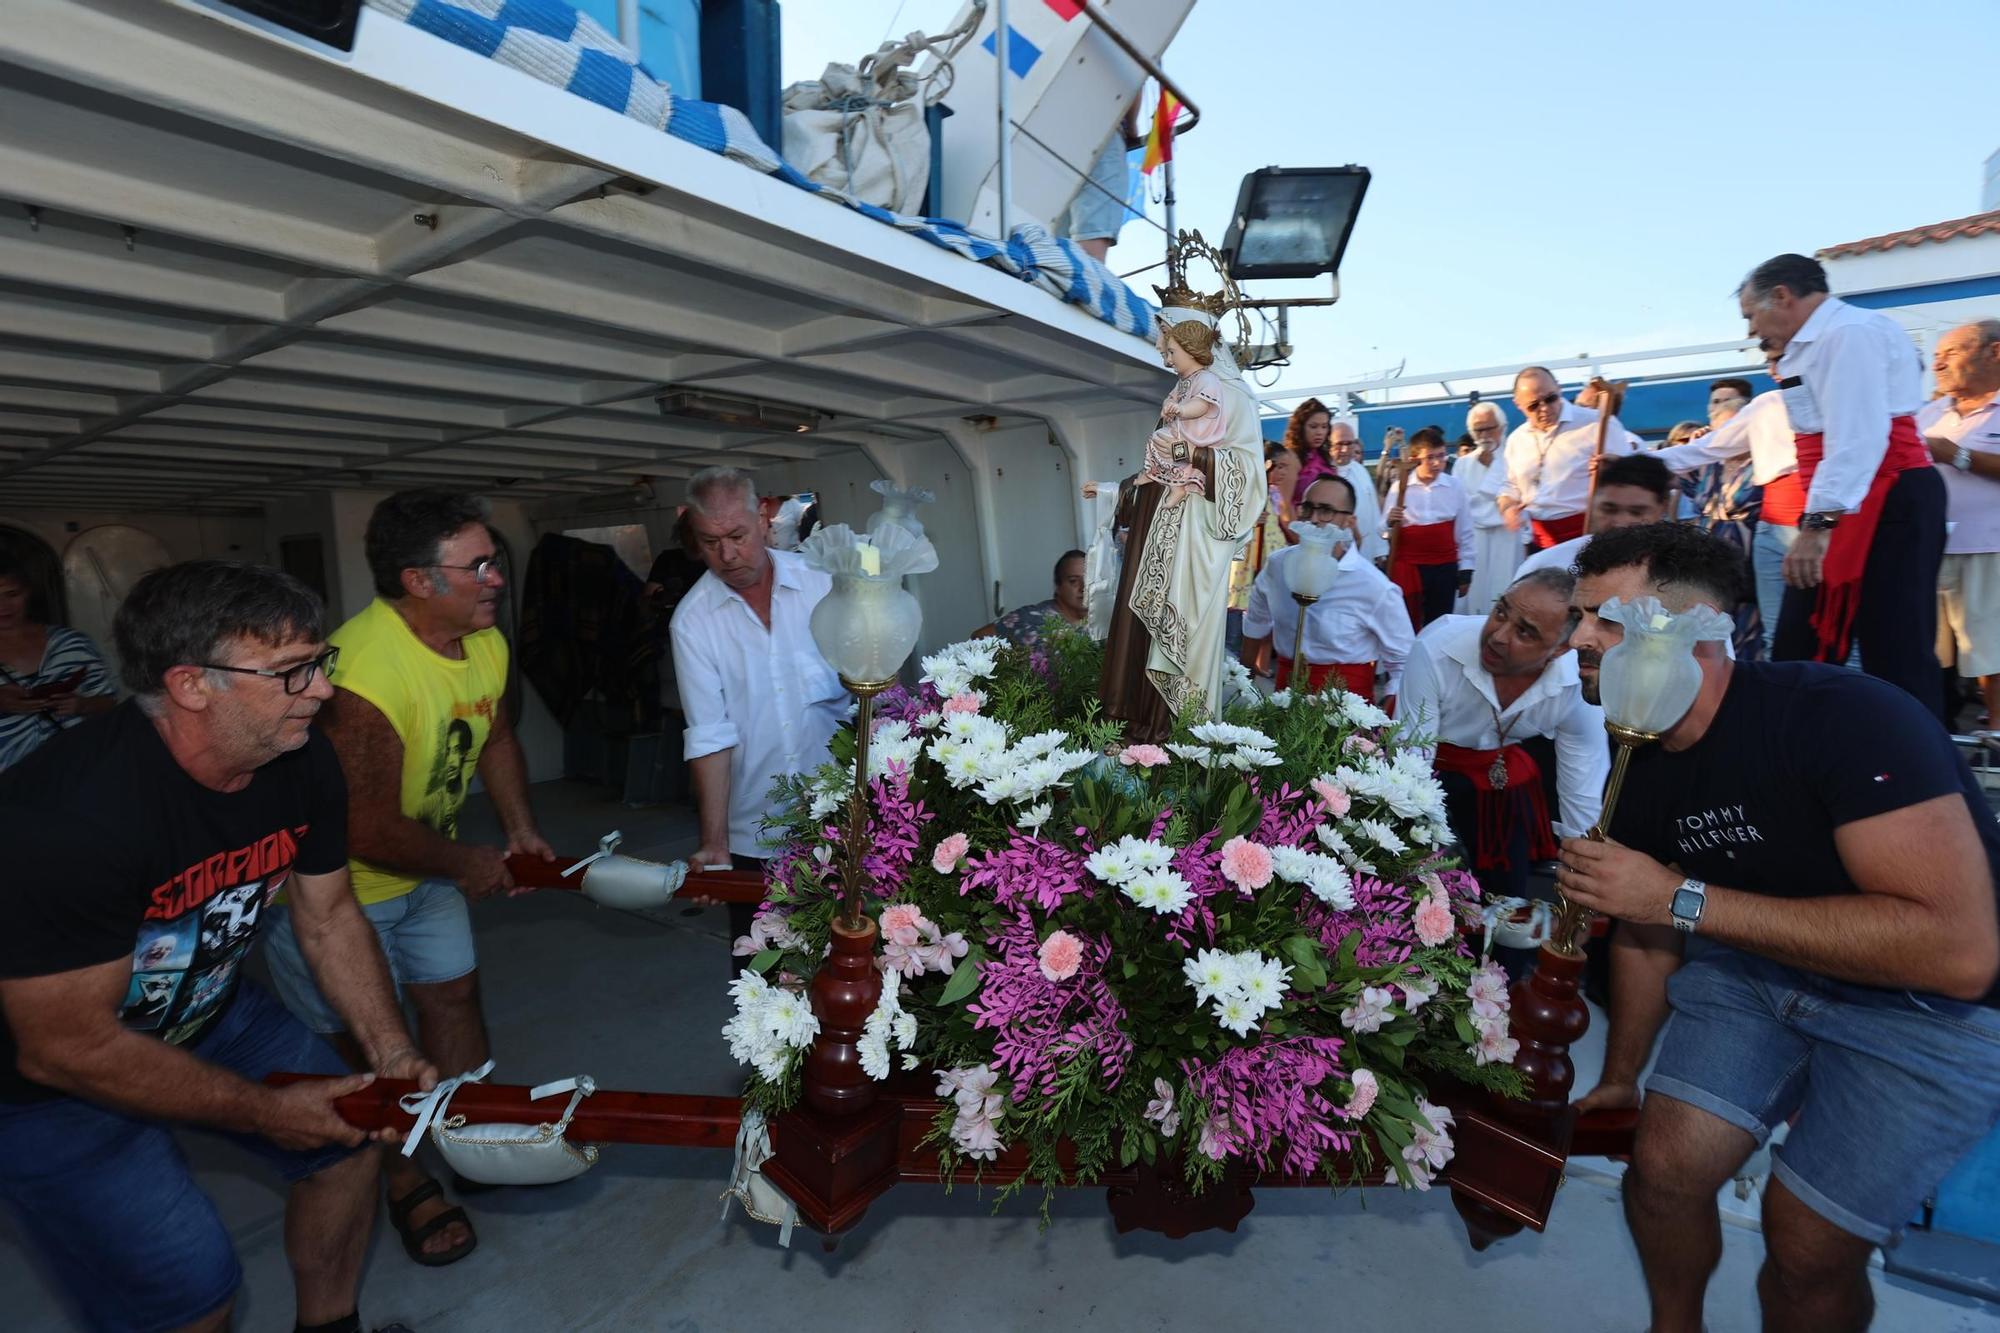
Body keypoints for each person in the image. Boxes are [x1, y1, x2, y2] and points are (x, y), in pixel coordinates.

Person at [1558, 521, 2000, 1333]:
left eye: (1607, 621)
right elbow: (1645, 934)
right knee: (1660, 1172)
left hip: (1930, 1013)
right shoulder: (1638, 758)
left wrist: (1680, 899)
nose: (1579, 639)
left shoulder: (1843, 716)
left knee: (1805, 1247)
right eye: (1580, 618)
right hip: (1759, 972)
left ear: (1701, 638)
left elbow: (1961, 954)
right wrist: (1620, 1076)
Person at [0, 560, 433, 1333]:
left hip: (208, 1007)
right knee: (191, 1292)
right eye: (290, 672)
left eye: (318, 662)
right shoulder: (67, 819)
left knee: (350, 1135)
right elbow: (65, 1044)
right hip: (48, 1084)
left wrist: (392, 1048)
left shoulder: (299, 757)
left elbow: (328, 916)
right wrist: (267, 1110)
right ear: (192, 685)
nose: (324, 690)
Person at [262, 489, 552, 1269]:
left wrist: (518, 828)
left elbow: (493, 734)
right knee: (367, 1044)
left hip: (425, 871)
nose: (497, 576)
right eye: (479, 564)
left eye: (496, 558)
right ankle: (403, 1177)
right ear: (419, 581)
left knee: (454, 996)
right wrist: (470, 863)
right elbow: (359, 824)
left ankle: (466, 1139)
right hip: (338, 895)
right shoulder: (362, 672)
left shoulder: (481, 636)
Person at [1739, 253, 1946, 716]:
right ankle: (1813, 750)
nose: (1751, 330)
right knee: (1803, 637)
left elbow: (1858, 436)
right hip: (1854, 498)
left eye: (1751, 315)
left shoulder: (1849, 334)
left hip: (1889, 493)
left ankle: (1919, 768)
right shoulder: (1814, 344)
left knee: (1896, 643)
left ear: (1782, 296)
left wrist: (1816, 528)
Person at [672, 467, 847, 951]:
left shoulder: (822, 584)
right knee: (766, 976)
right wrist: (714, 844)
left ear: (764, 518)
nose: (726, 555)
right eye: (709, 542)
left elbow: (870, 687)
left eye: (736, 536)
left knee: (858, 962)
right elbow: (709, 734)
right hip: (757, 833)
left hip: (845, 816)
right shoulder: (692, 622)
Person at [1100, 296, 1266, 743]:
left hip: (1195, 526)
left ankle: (1168, 732)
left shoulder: (1231, 395)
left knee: (1180, 627)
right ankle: (1134, 722)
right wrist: (1121, 488)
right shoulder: (1180, 391)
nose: (1163, 355)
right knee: (1140, 622)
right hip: (1158, 520)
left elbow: (1250, 475)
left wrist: (1191, 455)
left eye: (1168, 347)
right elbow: (1160, 457)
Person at [1398, 567, 1609, 901]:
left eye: (1525, 632)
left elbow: (1582, 794)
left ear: (1559, 650)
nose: (1497, 635)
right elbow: (1411, 764)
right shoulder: (1438, 647)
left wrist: (1581, 892)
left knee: (1507, 898)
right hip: (1431, 774)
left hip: (1502, 784)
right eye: (1500, 612)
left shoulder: (1577, 686)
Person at [1654, 356, 1801, 654]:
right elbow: (1673, 476)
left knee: (1766, 634)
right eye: (1718, 428)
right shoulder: (1708, 466)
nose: (1726, 437)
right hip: (1714, 565)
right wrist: (1627, 460)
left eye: (1731, 428)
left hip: (1757, 560)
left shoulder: (1764, 463)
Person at [1239, 474, 1413, 699]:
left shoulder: (1373, 586)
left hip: (1344, 704)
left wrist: (1389, 714)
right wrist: (1244, 679)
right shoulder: (1278, 565)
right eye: (1307, 508)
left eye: (1326, 511)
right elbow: (1256, 620)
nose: (1314, 519)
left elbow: (1403, 660)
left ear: (1349, 521)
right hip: (1285, 694)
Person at [1920, 320, 2000, 734]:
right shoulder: (1930, 413)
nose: (1938, 364)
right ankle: (1938, 734)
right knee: (1932, 652)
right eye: (1935, 357)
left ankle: (1997, 740)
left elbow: (1952, 456)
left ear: (1995, 352)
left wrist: (1958, 456)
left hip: (1990, 548)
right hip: (1931, 549)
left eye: (1950, 353)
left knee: (1992, 653)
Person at [1484, 366, 1638, 550]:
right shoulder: (1516, 439)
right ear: (1518, 404)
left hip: (1589, 533)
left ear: (1559, 389)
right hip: (1539, 538)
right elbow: (1510, 485)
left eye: (1550, 399)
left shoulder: (1597, 423)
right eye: (1533, 405)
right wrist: (1507, 507)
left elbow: (1634, 477)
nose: (1544, 409)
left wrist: (1615, 468)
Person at [0, 550, 118, 770]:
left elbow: (109, 702)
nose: (3, 606)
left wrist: (82, 705)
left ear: (28, 592)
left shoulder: (71, 644)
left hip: (76, 771)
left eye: (12, 594)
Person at [1516, 452, 1676, 580]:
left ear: (1663, 507)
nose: (1621, 523)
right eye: (1609, 510)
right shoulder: (1545, 567)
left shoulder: (1682, 572)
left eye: (1637, 512)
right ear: (1592, 504)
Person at [1383, 427, 1475, 629]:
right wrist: (1390, 522)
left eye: (1441, 456)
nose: (1436, 463)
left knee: (1440, 622)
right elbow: (1382, 531)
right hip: (1410, 566)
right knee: (1406, 621)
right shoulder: (1400, 488)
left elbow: (1465, 531)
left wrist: (1466, 569)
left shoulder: (1454, 486)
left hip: (1444, 567)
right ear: (1416, 458)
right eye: (1430, 458)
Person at [1227, 444, 1300, 666]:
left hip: (1268, 552)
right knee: (1241, 609)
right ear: (1267, 465)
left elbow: (1278, 520)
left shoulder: (1273, 492)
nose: (1285, 473)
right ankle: (1234, 659)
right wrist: (1249, 522)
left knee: (1265, 610)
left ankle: (1260, 663)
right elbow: (1231, 521)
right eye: (1281, 467)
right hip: (1248, 558)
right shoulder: (1248, 489)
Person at [1053, 97, 1144, 263]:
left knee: (1052, 243)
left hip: (1051, 131)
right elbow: (1133, 79)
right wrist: (1132, 126)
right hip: (1105, 127)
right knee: (1090, 249)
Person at [1457, 401, 1525, 616]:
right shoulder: (1462, 464)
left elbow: (1517, 495)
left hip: (1507, 533)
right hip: (1474, 535)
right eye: (1479, 429)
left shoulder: (1516, 457)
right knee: (1475, 590)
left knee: (1506, 585)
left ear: (1502, 428)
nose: (1484, 434)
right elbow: (1461, 504)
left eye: (1489, 428)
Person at [992, 550, 1089, 651]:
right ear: (1058, 587)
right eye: (1073, 581)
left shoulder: (1101, 619)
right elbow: (979, 637)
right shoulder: (1030, 619)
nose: (1084, 587)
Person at [1331, 418, 1390, 562]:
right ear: (1329, 444)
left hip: (1364, 552)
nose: (1345, 450)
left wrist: (1380, 549)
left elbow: (1373, 511)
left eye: (1349, 444)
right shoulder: (1323, 472)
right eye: (1339, 444)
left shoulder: (1360, 471)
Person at [1282, 397, 1339, 503]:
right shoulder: (1290, 457)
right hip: (1298, 518)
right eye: (1313, 426)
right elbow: (1285, 505)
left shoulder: (1326, 457)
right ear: (1300, 428)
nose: (1319, 432)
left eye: (1324, 427)